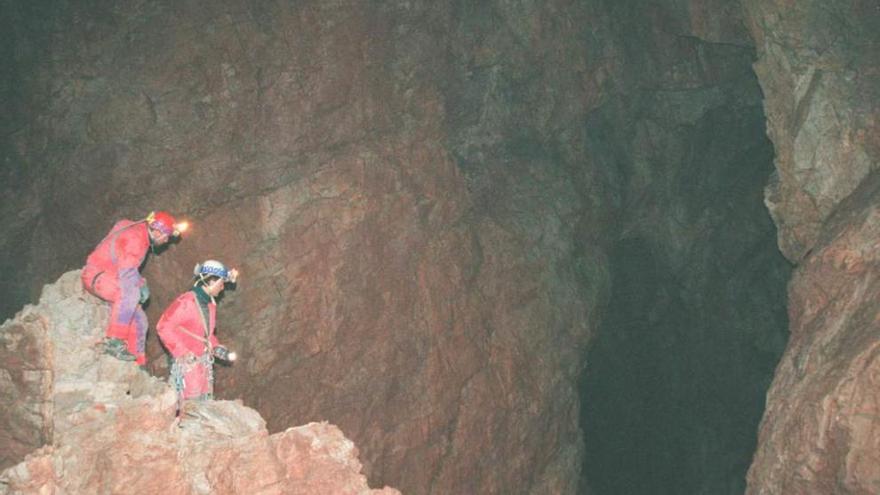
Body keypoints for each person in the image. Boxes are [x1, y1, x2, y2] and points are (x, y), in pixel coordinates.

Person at [82, 211, 187, 365]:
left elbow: (125, 262)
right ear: (157, 231)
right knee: (130, 293)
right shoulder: (136, 238)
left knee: (140, 321)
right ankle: (115, 341)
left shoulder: (138, 232)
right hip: (98, 275)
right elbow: (128, 275)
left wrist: (141, 282)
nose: (167, 241)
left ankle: (137, 363)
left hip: (111, 276)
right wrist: (140, 285)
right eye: (166, 236)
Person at [156, 260, 239, 407]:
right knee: (190, 405)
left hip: (202, 363)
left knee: (204, 402)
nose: (223, 287)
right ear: (212, 281)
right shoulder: (186, 302)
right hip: (188, 364)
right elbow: (163, 326)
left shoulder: (209, 304)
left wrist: (216, 346)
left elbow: (206, 334)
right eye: (221, 283)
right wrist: (182, 352)